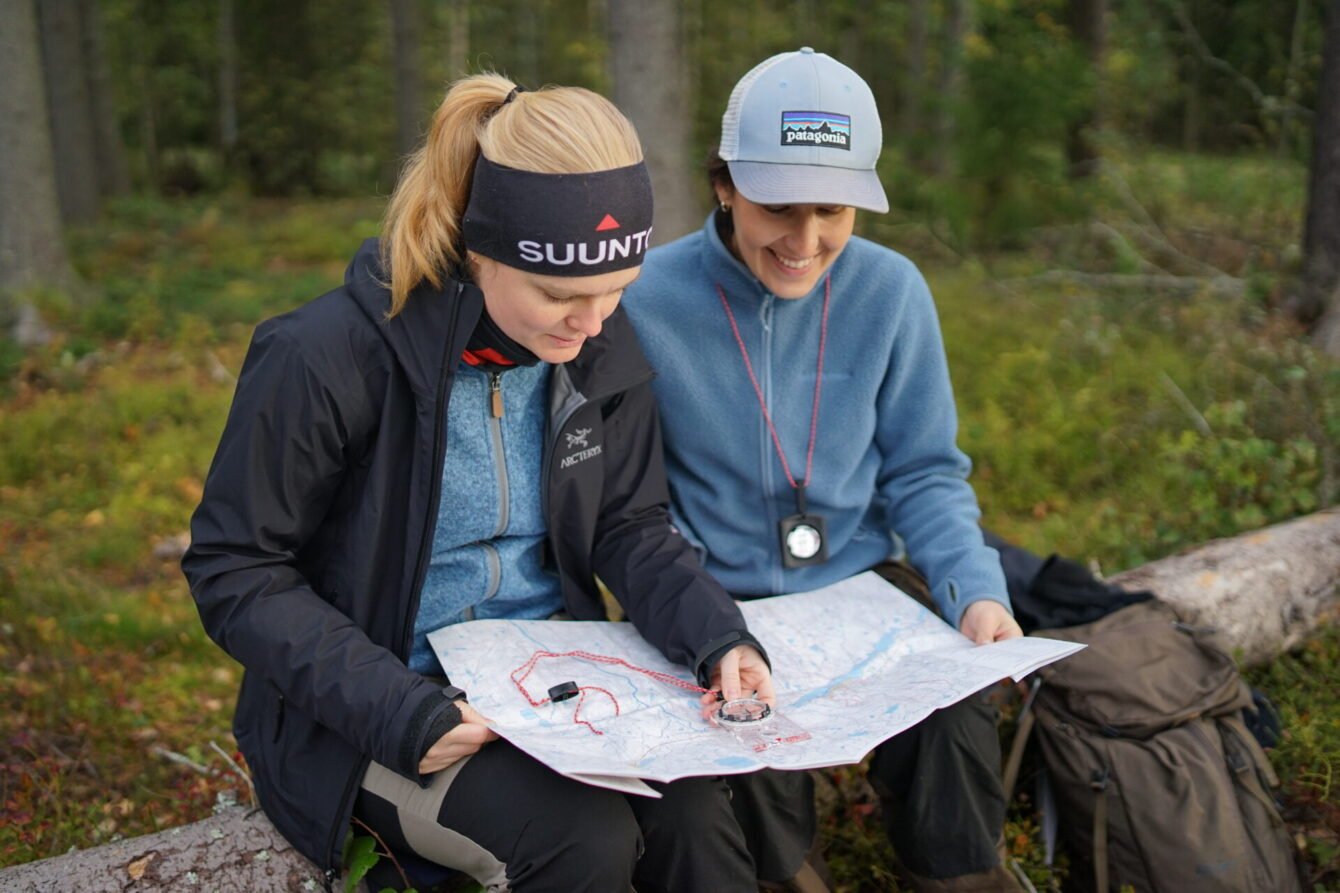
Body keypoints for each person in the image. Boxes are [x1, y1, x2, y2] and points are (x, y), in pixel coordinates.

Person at [181, 73, 775, 893]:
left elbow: (628, 524)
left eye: (617, 290)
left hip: (556, 684)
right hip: (376, 710)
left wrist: (716, 634)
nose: (594, 321)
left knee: (697, 818)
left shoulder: (595, 341)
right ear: (478, 248)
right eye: (561, 294)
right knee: (582, 841)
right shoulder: (324, 359)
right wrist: (399, 710)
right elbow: (234, 569)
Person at [623, 49, 1025, 892]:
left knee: (953, 723)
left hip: (863, 586)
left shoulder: (893, 291)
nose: (806, 243)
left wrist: (975, 590)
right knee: (744, 746)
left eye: (833, 211)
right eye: (778, 207)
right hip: (714, 595)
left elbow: (925, 471)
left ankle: (958, 878)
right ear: (725, 184)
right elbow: (633, 500)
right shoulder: (643, 300)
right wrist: (710, 617)